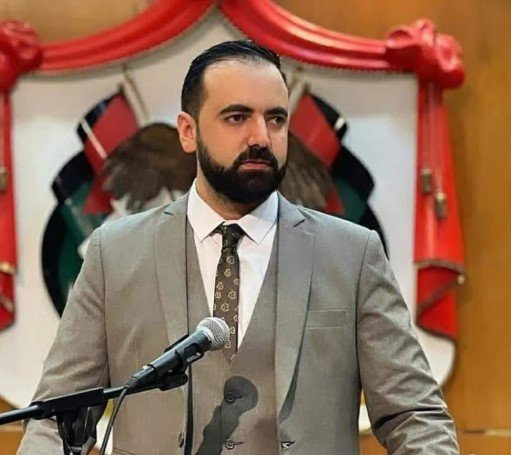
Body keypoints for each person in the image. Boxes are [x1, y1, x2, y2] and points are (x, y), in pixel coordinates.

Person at [18, 40, 459, 454]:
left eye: (275, 119)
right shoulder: (114, 254)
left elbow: (415, 415)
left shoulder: (353, 255)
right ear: (188, 131)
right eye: (237, 117)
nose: (261, 137)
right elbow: (56, 419)